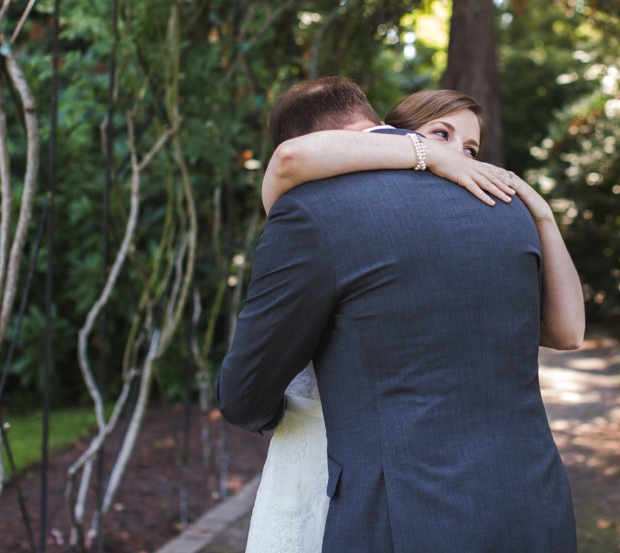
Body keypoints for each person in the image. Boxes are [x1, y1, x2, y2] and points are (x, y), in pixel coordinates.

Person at [215, 76, 581, 552]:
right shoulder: (506, 206)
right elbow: (562, 331)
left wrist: (279, 408)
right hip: (532, 502)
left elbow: (245, 393)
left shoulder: (312, 210)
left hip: (406, 517)